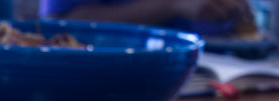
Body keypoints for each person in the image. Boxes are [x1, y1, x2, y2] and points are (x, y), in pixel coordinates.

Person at [39, 0, 257, 37]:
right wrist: (173, 5)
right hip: (115, 87)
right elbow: (62, 21)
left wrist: (232, 13)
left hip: (224, 79)